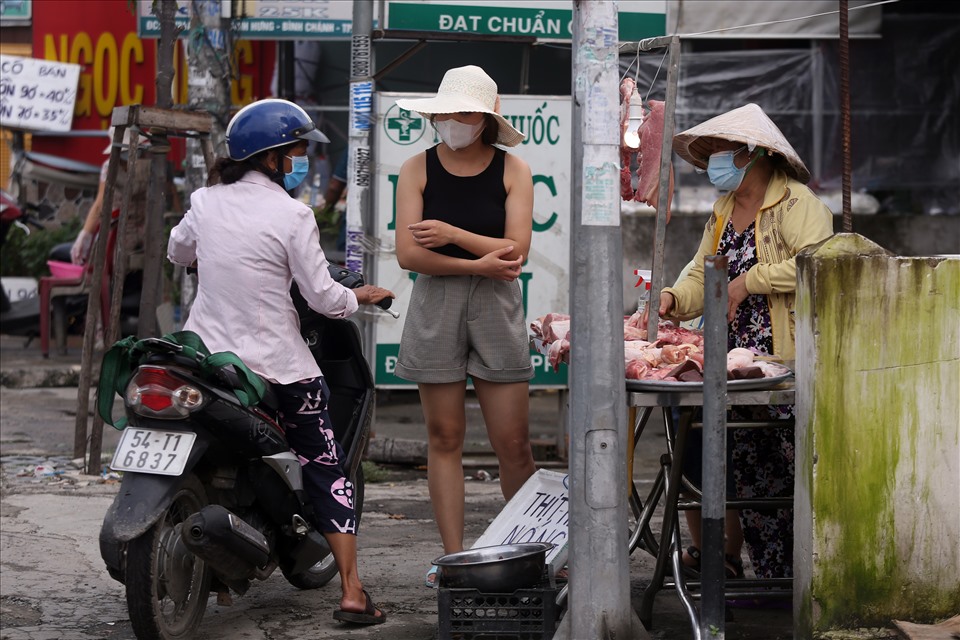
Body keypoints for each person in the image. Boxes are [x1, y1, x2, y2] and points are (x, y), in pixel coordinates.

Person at [167, 98, 392, 624]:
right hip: (276, 365)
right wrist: (360, 296)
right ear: (273, 158)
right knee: (325, 465)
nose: (302, 161)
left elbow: (179, 252)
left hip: (204, 359)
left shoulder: (205, 200)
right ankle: (353, 592)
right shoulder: (293, 214)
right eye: (296, 151)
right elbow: (323, 298)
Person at [643, 103, 833, 580]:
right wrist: (671, 299)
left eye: (722, 151)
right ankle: (734, 568)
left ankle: (793, 582)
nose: (714, 163)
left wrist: (748, 282)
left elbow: (818, 264)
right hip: (730, 362)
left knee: (783, 470)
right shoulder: (724, 211)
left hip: (783, 363)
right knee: (742, 469)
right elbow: (700, 272)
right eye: (710, 153)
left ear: (754, 153)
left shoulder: (799, 204)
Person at [392, 65, 536, 587]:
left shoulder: (513, 169)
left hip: (497, 303)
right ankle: (453, 557)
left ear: (486, 118)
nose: (455, 120)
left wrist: (453, 234)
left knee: (514, 443)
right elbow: (409, 255)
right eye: (447, 111)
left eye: (466, 112)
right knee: (444, 436)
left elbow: (517, 251)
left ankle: (528, 553)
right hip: (436, 300)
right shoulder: (417, 168)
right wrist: (480, 261)